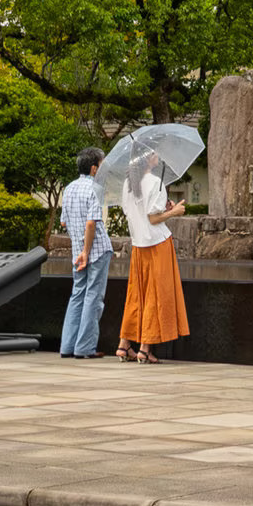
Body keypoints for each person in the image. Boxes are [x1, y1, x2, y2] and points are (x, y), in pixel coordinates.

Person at [114, 149, 189, 363]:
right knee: (156, 295)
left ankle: (124, 344)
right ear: (148, 160)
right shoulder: (155, 182)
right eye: (154, 153)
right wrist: (173, 213)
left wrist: (163, 210)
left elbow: (135, 213)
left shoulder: (128, 184)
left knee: (137, 295)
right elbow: (154, 219)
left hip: (139, 244)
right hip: (157, 244)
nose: (158, 156)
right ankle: (145, 348)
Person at [57, 147, 110, 360]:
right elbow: (91, 223)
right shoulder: (95, 189)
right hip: (95, 250)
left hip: (76, 252)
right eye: (102, 164)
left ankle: (67, 346)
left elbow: (63, 221)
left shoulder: (69, 188)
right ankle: (85, 347)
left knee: (77, 295)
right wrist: (87, 252)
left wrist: (80, 249)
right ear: (94, 169)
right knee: (93, 297)